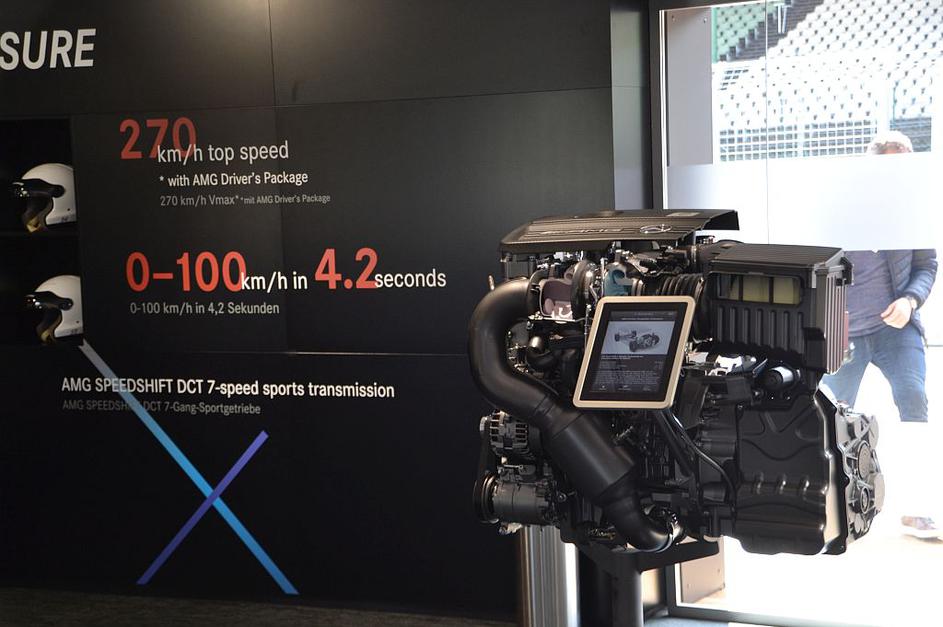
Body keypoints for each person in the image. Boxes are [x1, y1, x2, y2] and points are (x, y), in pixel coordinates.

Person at [823, 130, 939, 538]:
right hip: (846, 332)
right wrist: (829, 317)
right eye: (892, 164)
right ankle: (831, 507)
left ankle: (918, 509)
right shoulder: (840, 207)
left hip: (897, 329)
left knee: (914, 399)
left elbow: (927, 265)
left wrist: (910, 300)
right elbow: (814, 266)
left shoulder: (913, 211)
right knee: (832, 416)